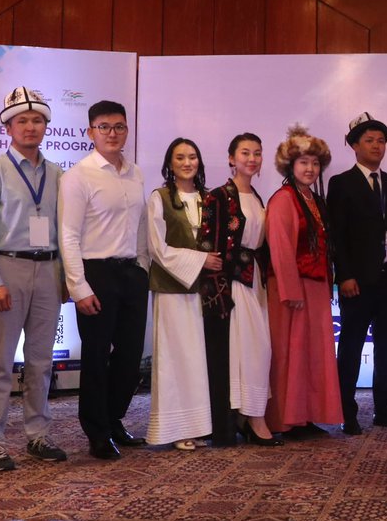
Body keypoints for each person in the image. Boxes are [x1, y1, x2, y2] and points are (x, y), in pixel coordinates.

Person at [0, 87, 67, 471]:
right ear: (8, 126)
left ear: (46, 126)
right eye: (22, 120)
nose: (30, 126)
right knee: (0, 363)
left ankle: (37, 436)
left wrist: (65, 278)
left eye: (37, 120)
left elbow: (65, 230)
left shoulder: (58, 173)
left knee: (42, 361)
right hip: (7, 268)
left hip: (48, 269)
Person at [58, 100, 149, 461]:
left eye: (119, 127)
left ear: (127, 130)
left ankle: (114, 420)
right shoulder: (78, 176)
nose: (112, 133)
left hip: (131, 273)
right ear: (90, 132)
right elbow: (68, 235)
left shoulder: (135, 173)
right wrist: (79, 287)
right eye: (104, 127)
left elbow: (140, 225)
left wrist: (142, 265)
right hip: (96, 274)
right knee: (96, 357)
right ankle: (97, 433)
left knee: (129, 356)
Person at [326, 113, 387, 435]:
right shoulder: (341, 183)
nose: (377, 146)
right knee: (350, 348)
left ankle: (384, 410)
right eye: (369, 140)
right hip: (358, 281)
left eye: (381, 140)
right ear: (353, 145)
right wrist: (344, 275)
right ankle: (346, 412)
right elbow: (337, 235)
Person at [264, 124, 343, 442]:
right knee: (290, 354)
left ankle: (308, 414)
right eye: (303, 163)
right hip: (291, 290)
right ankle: (287, 419)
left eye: (314, 163)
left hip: (315, 286)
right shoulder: (284, 199)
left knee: (313, 353)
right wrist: (291, 289)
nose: (310, 169)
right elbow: (280, 247)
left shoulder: (313, 199)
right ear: (290, 166)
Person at [145, 138, 220, 451]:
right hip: (173, 289)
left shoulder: (210, 198)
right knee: (175, 358)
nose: (187, 162)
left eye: (192, 157)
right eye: (180, 158)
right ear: (170, 163)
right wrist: (201, 260)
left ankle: (199, 426)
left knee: (200, 359)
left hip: (207, 291)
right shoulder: (159, 198)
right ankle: (174, 429)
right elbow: (157, 249)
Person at [201, 133, 273, 446]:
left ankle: (253, 413)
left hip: (255, 280)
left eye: (257, 153)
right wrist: (218, 287)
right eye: (245, 153)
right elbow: (207, 243)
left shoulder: (258, 197)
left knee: (259, 349)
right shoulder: (218, 196)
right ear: (232, 158)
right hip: (230, 284)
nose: (252, 159)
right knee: (238, 352)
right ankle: (241, 419)